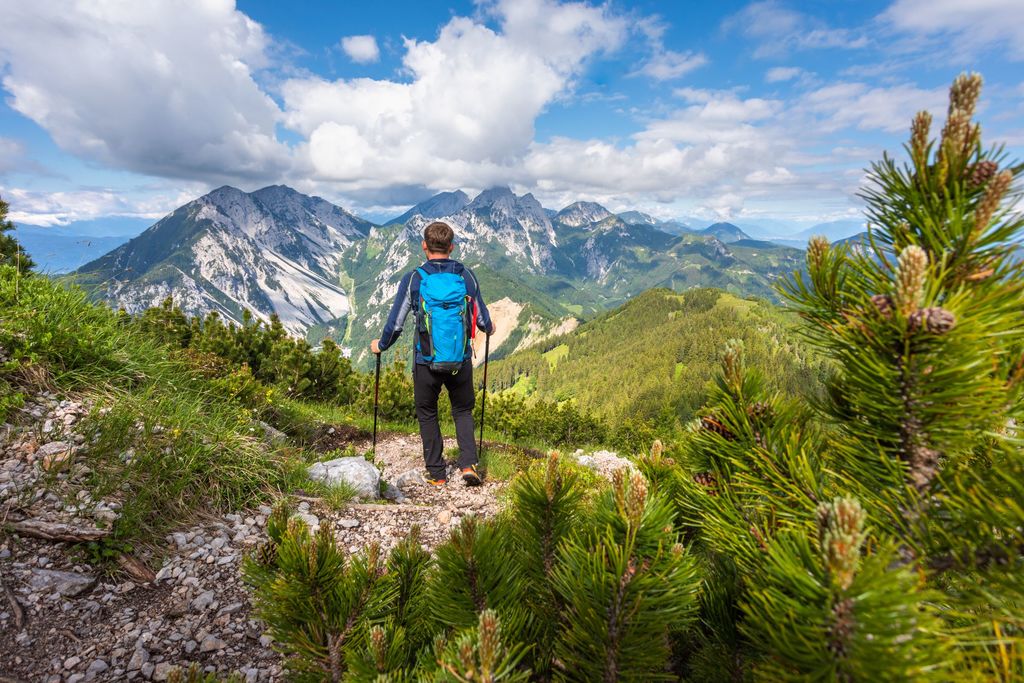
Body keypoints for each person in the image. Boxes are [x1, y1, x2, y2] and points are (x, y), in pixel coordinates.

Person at [371, 221, 495, 486]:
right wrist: (490, 327)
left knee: (427, 411)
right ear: (451, 247)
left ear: (424, 246)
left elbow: (396, 323)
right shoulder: (466, 276)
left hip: (425, 360)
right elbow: (484, 321)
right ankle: (468, 465)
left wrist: (380, 346)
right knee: (462, 410)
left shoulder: (415, 278)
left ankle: (438, 474)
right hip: (459, 359)